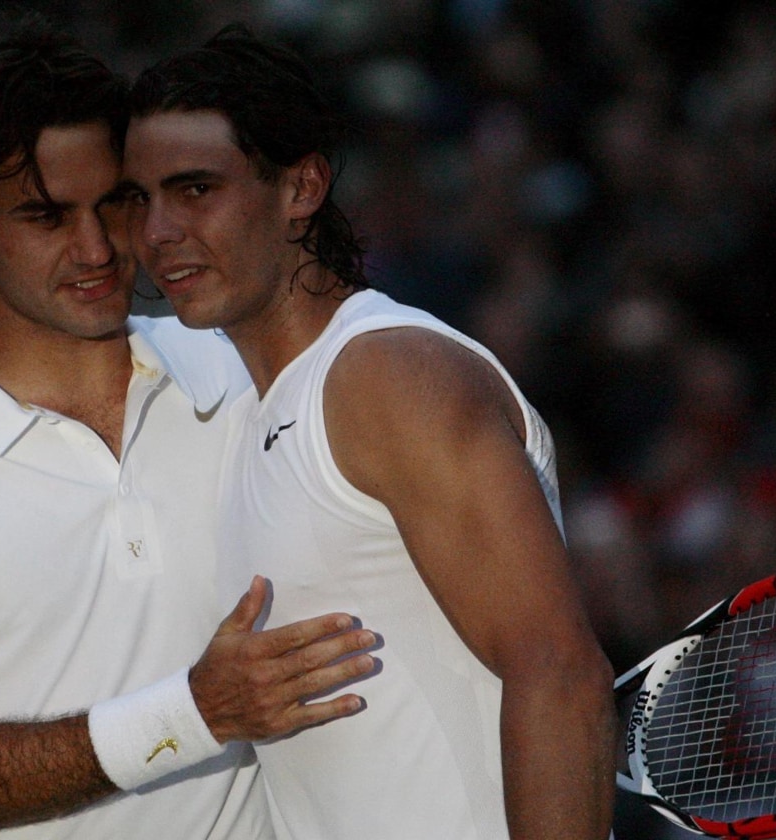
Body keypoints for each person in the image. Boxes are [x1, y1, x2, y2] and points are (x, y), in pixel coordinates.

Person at [0, 21, 379, 840]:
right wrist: (195, 712)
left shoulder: (243, 369)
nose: (98, 248)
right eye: (46, 216)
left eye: (115, 204)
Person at [120, 23, 618, 840]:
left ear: (301, 187)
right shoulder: (254, 412)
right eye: (140, 199)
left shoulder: (386, 376)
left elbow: (558, 673)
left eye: (196, 189)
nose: (158, 231)